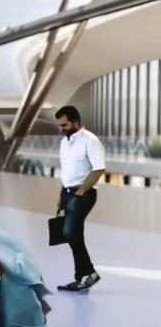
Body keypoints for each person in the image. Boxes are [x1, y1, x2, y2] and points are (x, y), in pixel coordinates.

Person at [54, 105, 106, 292]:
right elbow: (67, 171)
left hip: (83, 194)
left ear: (76, 122)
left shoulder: (90, 140)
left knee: (69, 232)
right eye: (60, 125)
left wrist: (81, 191)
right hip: (68, 192)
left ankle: (89, 273)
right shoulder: (64, 142)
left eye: (65, 124)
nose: (62, 128)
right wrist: (62, 195)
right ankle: (82, 278)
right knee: (73, 233)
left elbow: (98, 168)